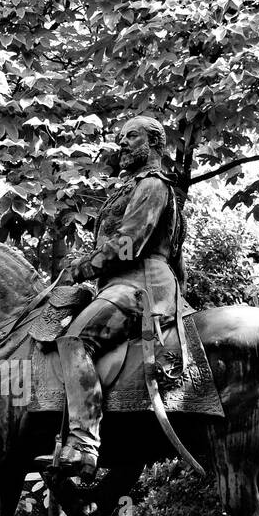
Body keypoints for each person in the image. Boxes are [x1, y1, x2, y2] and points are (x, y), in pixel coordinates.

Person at [35, 115, 186, 482]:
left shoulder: (152, 184)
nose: (122, 143)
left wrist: (80, 268)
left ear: (153, 143)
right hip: (120, 283)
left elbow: (128, 244)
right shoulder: (131, 185)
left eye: (131, 137)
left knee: (74, 341)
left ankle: (84, 442)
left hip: (139, 286)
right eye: (120, 137)